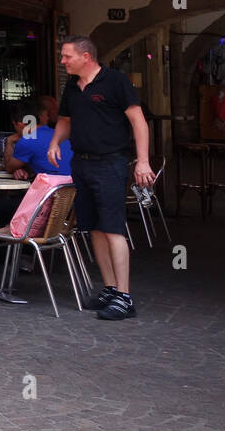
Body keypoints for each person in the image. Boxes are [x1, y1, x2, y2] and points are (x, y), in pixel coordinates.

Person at [48, 35, 155, 321]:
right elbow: (66, 119)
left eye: (67, 56)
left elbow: (138, 121)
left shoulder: (116, 81)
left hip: (110, 163)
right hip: (81, 164)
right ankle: (109, 288)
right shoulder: (72, 85)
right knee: (93, 227)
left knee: (113, 228)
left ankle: (124, 296)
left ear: (86, 57)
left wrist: (143, 161)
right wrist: (55, 142)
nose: (63, 61)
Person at [5, 96, 73, 179]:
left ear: (20, 125)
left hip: (53, 190)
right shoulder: (57, 134)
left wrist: (9, 141)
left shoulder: (27, 140)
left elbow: (9, 168)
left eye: (14, 125)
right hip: (74, 187)